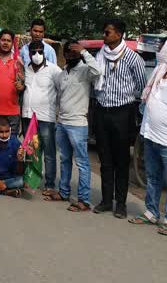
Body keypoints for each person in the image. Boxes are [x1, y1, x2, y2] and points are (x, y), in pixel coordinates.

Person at [130, 36, 167, 236]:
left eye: (161, 46)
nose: (158, 48)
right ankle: (152, 213)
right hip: (151, 134)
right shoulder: (160, 69)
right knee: (152, 177)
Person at [92, 18, 146, 219]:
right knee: (105, 159)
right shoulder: (100, 55)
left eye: (108, 32)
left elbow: (141, 85)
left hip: (122, 113)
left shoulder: (133, 59)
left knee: (121, 160)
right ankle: (107, 200)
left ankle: (121, 204)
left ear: (119, 34)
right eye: (104, 32)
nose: (104, 35)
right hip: (102, 111)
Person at [48, 39, 102, 212]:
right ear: (64, 54)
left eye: (74, 51)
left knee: (82, 163)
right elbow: (58, 97)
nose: (72, 54)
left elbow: (98, 71)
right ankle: (63, 192)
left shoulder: (85, 71)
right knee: (64, 159)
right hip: (62, 122)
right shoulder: (61, 74)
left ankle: (84, 200)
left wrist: (84, 52)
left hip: (78, 124)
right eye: (69, 52)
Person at [21, 40, 62, 195]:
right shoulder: (26, 69)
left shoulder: (54, 70)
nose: (37, 55)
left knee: (49, 152)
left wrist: (56, 110)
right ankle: (31, 179)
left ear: (44, 52)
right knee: (30, 149)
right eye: (33, 52)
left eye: (40, 51)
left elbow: (61, 91)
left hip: (46, 117)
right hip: (28, 116)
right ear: (29, 53)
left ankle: (50, 184)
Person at [0, 29, 24, 135]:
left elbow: (23, 84)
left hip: (12, 112)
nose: (5, 43)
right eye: (3, 40)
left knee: (12, 146)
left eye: (8, 41)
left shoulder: (18, 61)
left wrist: (21, 86)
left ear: (12, 43)